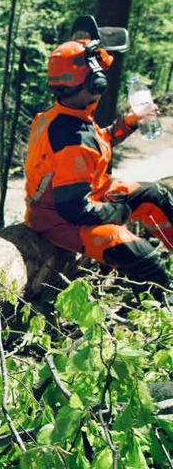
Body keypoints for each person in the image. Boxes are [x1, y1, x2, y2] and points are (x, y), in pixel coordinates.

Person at [25, 24, 172, 291]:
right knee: (145, 261)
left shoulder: (67, 116)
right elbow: (75, 210)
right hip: (61, 221)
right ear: (93, 82)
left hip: (87, 197)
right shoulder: (73, 139)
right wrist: (120, 210)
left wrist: (129, 122)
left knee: (157, 196)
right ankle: (158, 304)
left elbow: (96, 142)